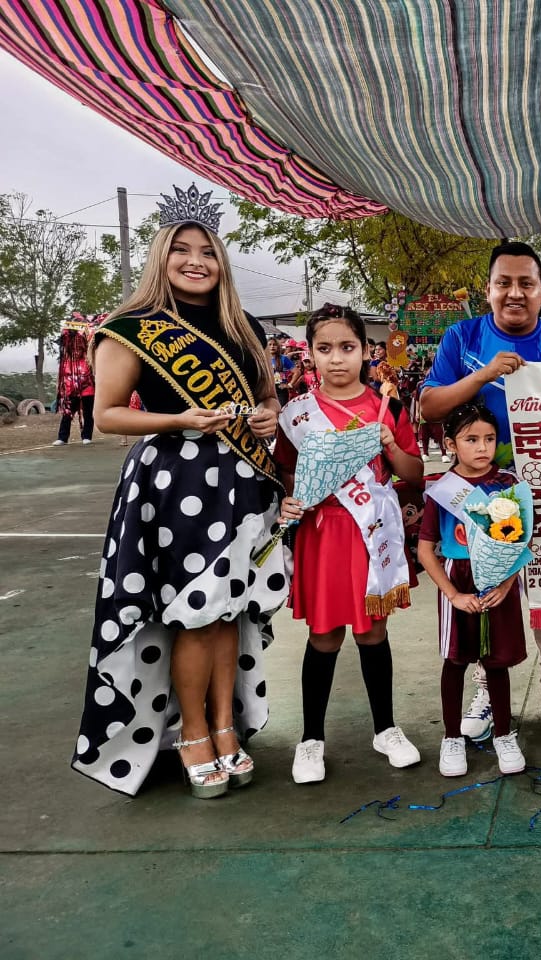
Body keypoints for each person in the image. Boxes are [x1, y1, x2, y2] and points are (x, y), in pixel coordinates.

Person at [72, 188, 288, 797]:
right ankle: (192, 732)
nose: (196, 261)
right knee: (195, 613)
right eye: (182, 250)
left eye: (208, 252)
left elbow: (267, 397)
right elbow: (108, 414)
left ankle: (225, 727)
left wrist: (268, 416)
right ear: (161, 258)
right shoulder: (130, 328)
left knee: (229, 610)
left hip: (240, 479)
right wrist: (180, 418)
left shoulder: (242, 327)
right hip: (174, 481)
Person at [420, 242, 541, 739]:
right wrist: (484, 374)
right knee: (484, 595)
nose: (515, 293)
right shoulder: (463, 337)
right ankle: (485, 688)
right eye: (504, 283)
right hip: (475, 508)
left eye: (526, 284)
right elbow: (430, 406)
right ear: (488, 289)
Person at [275, 304, 425, 785]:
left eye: (347, 347)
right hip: (322, 535)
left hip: (372, 534)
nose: (336, 358)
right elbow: (285, 470)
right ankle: (311, 739)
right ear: (310, 353)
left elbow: (414, 473)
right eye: (325, 348)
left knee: (372, 632)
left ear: (365, 351)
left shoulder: (388, 407)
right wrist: (288, 498)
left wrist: (390, 444)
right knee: (324, 635)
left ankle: (386, 729)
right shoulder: (297, 413)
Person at [418, 403, 528, 777]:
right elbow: (425, 550)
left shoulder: (508, 484)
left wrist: (507, 583)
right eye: (471, 439)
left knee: (496, 662)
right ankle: (451, 737)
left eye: (489, 438)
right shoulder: (442, 490)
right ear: (450, 444)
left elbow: (521, 541)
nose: (482, 447)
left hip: (498, 580)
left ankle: (503, 735)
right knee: (455, 661)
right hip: (458, 578)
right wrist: (453, 594)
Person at [53, 325, 95, 445]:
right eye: (73, 347)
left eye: (78, 347)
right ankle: (62, 437)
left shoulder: (88, 359)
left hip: (87, 390)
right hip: (70, 390)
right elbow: (61, 377)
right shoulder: (66, 361)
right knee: (67, 413)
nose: (76, 350)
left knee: (87, 413)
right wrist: (59, 388)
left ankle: (87, 436)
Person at [267, 336, 295, 407]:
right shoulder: (264, 359)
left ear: (278, 346)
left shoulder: (283, 358)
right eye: (270, 344)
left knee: (281, 410)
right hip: (268, 390)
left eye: (274, 344)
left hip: (280, 390)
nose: (272, 346)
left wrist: (289, 384)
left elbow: (297, 372)